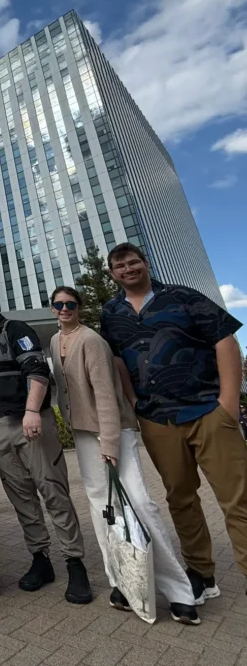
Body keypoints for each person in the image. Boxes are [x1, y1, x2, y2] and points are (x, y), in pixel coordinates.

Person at [100, 243, 247, 603]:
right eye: (120, 266)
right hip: (157, 419)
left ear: (146, 264)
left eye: (134, 261)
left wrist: (228, 404)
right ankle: (201, 574)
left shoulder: (181, 296)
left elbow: (225, 341)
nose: (128, 269)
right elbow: (118, 359)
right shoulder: (110, 312)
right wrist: (134, 401)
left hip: (207, 411)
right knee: (180, 499)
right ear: (113, 274)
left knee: (237, 500)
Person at [50, 287, 199, 624]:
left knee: (139, 503)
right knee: (102, 507)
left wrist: (110, 443)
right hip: (84, 434)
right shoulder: (55, 341)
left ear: (79, 307)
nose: (64, 309)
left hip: (111, 431)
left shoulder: (91, 341)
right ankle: (122, 580)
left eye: (70, 304)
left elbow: (105, 393)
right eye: (58, 304)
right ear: (52, 308)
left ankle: (179, 591)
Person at [0, 290, 92, 604]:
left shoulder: (15, 330)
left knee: (52, 489)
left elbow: (37, 371)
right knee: (20, 495)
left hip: (29, 422)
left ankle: (75, 562)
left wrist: (33, 411)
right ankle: (41, 559)